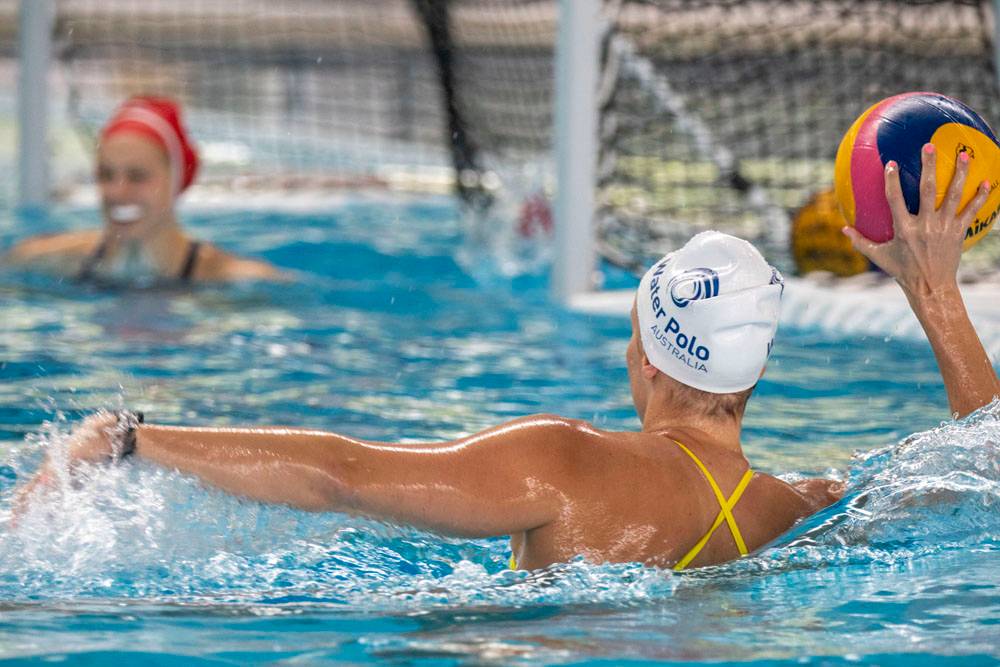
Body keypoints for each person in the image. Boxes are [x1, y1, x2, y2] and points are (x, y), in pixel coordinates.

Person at [16, 143, 999, 571]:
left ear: (647, 354)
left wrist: (131, 436)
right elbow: (977, 463)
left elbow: (338, 473)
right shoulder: (796, 505)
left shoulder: (561, 462)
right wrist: (937, 297)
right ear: (748, 377)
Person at [4, 96, 282, 285]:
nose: (117, 192)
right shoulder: (45, 259)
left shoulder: (230, 277)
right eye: (106, 175)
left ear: (176, 180)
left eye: (137, 177)